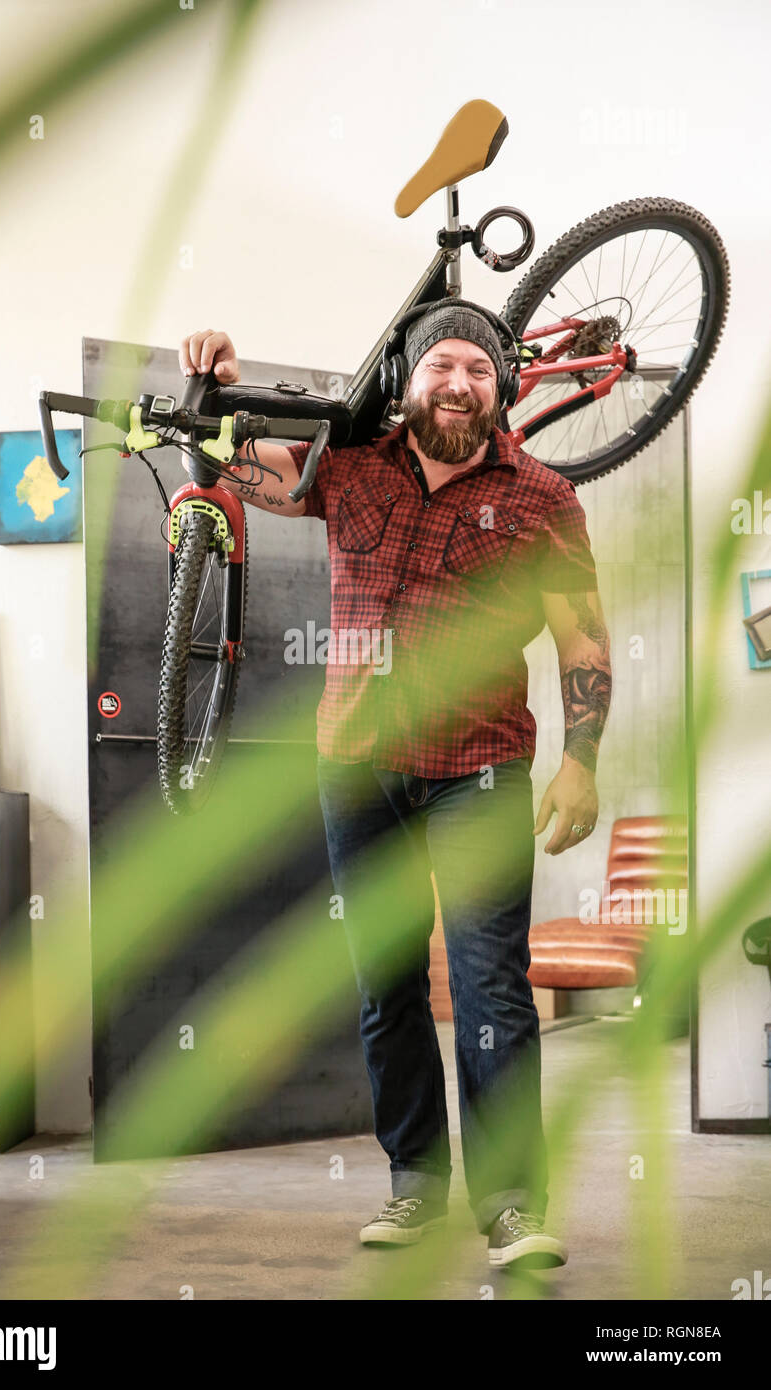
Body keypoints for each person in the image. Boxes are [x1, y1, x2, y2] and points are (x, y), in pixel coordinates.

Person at [179, 302, 612, 1270]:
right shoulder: (351, 466)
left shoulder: (542, 495)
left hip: (482, 765)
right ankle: (412, 1187)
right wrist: (214, 385)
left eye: (476, 371)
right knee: (383, 986)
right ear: (408, 379)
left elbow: (581, 638)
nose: (458, 384)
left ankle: (508, 1204)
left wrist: (580, 760)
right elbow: (235, 475)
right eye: (440, 367)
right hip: (358, 763)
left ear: (500, 388)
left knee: (491, 986)